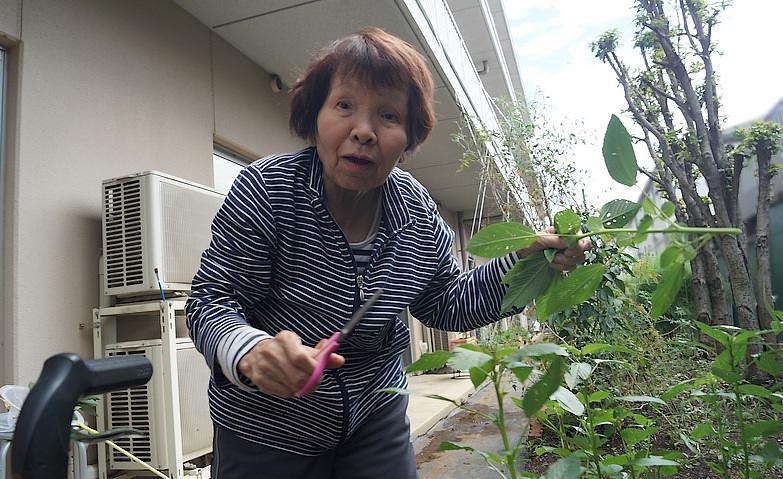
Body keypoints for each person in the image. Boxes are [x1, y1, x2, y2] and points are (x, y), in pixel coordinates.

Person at [186, 27, 590, 479]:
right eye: (344, 105)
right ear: (314, 116)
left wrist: (525, 264)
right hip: (265, 427)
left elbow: (447, 302)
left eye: (388, 115)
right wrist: (251, 350)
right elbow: (211, 300)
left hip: (374, 417)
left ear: (410, 136)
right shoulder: (269, 189)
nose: (363, 131)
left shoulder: (416, 212)